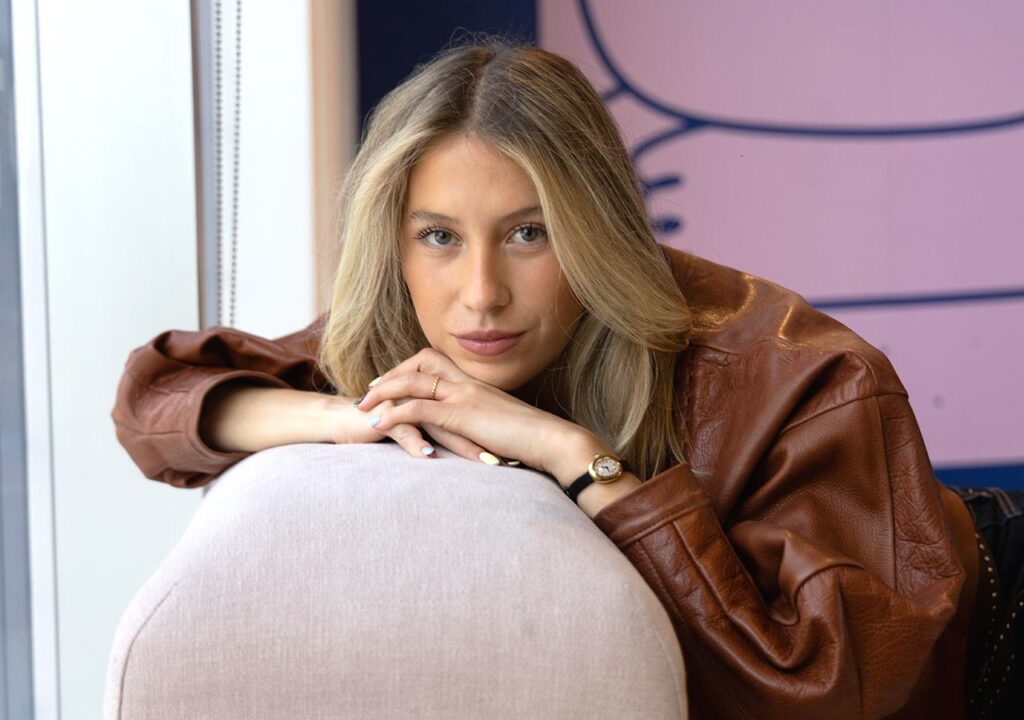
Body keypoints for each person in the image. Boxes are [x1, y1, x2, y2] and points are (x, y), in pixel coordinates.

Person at [110, 35, 1022, 719]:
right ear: (394, 244)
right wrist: (348, 416)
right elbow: (156, 399)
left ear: (595, 227)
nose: (481, 295)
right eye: (439, 236)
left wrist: (581, 462)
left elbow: (826, 689)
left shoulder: (805, 377)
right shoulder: (406, 338)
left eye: (528, 233)